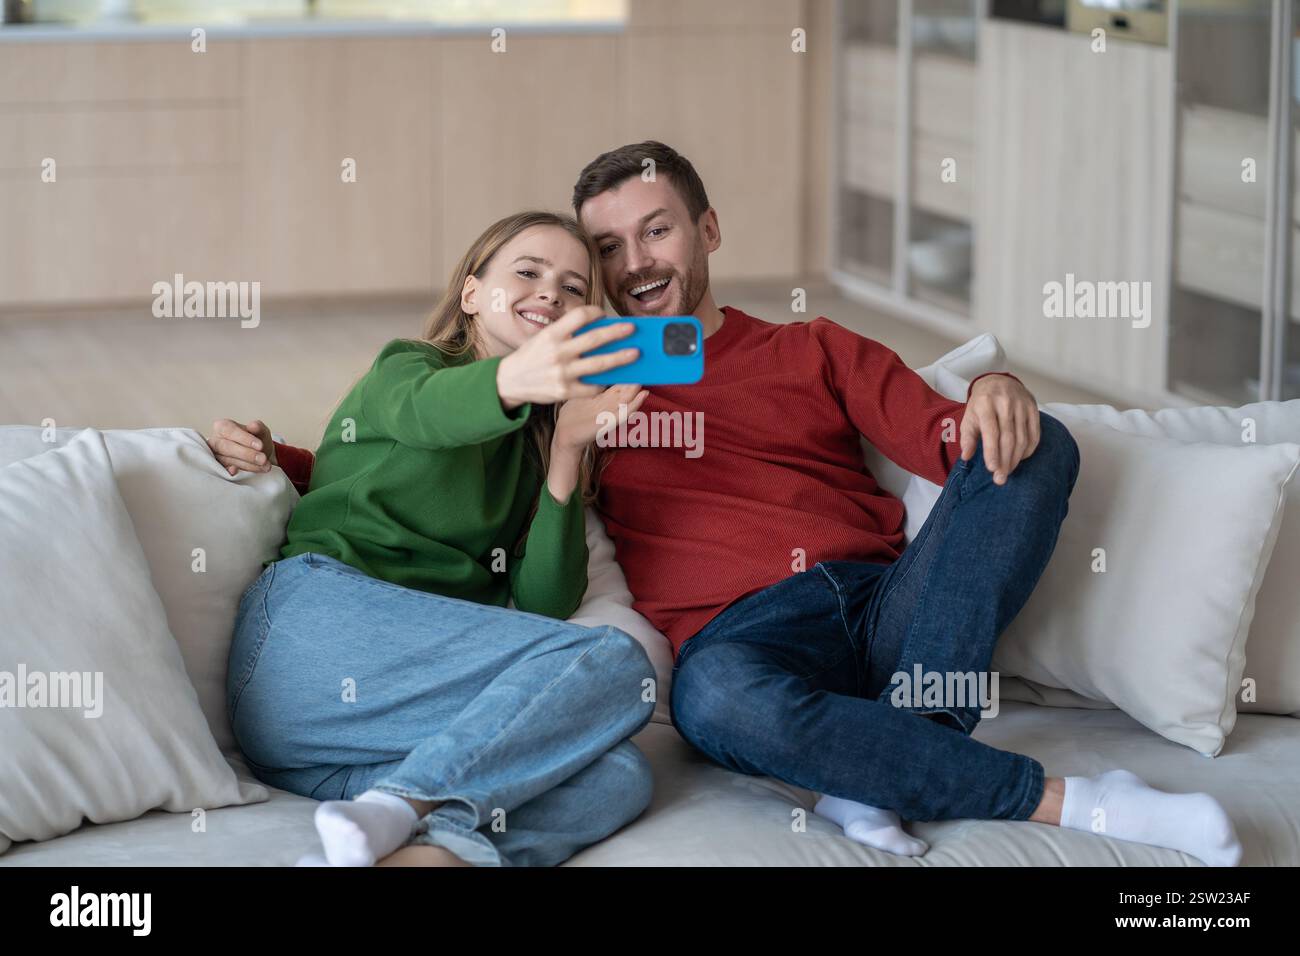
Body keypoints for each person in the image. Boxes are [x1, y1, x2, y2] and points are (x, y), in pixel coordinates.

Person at [219, 144, 1243, 867]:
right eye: (603, 254)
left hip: (887, 604)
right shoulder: (565, 388)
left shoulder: (809, 348)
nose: (634, 264)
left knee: (1037, 448)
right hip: (741, 640)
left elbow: (949, 443)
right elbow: (414, 432)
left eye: (653, 230)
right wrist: (287, 458)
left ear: (705, 227)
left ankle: (892, 757)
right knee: (698, 702)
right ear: (479, 289)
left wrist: (990, 393)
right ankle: (983, 782)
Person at [213, 210, 657, 868]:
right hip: (307, 645)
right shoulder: (407, 370)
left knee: (619, 773)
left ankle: (425, 854)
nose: (551, 294)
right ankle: (401, 808)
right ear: (473, 295)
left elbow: (544, 606)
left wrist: (565, 450)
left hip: (359, 747)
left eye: (572, 288)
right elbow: (427, 414)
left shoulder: (528, 453)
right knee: (617, 663)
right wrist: (513, 381)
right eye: (528, 273)